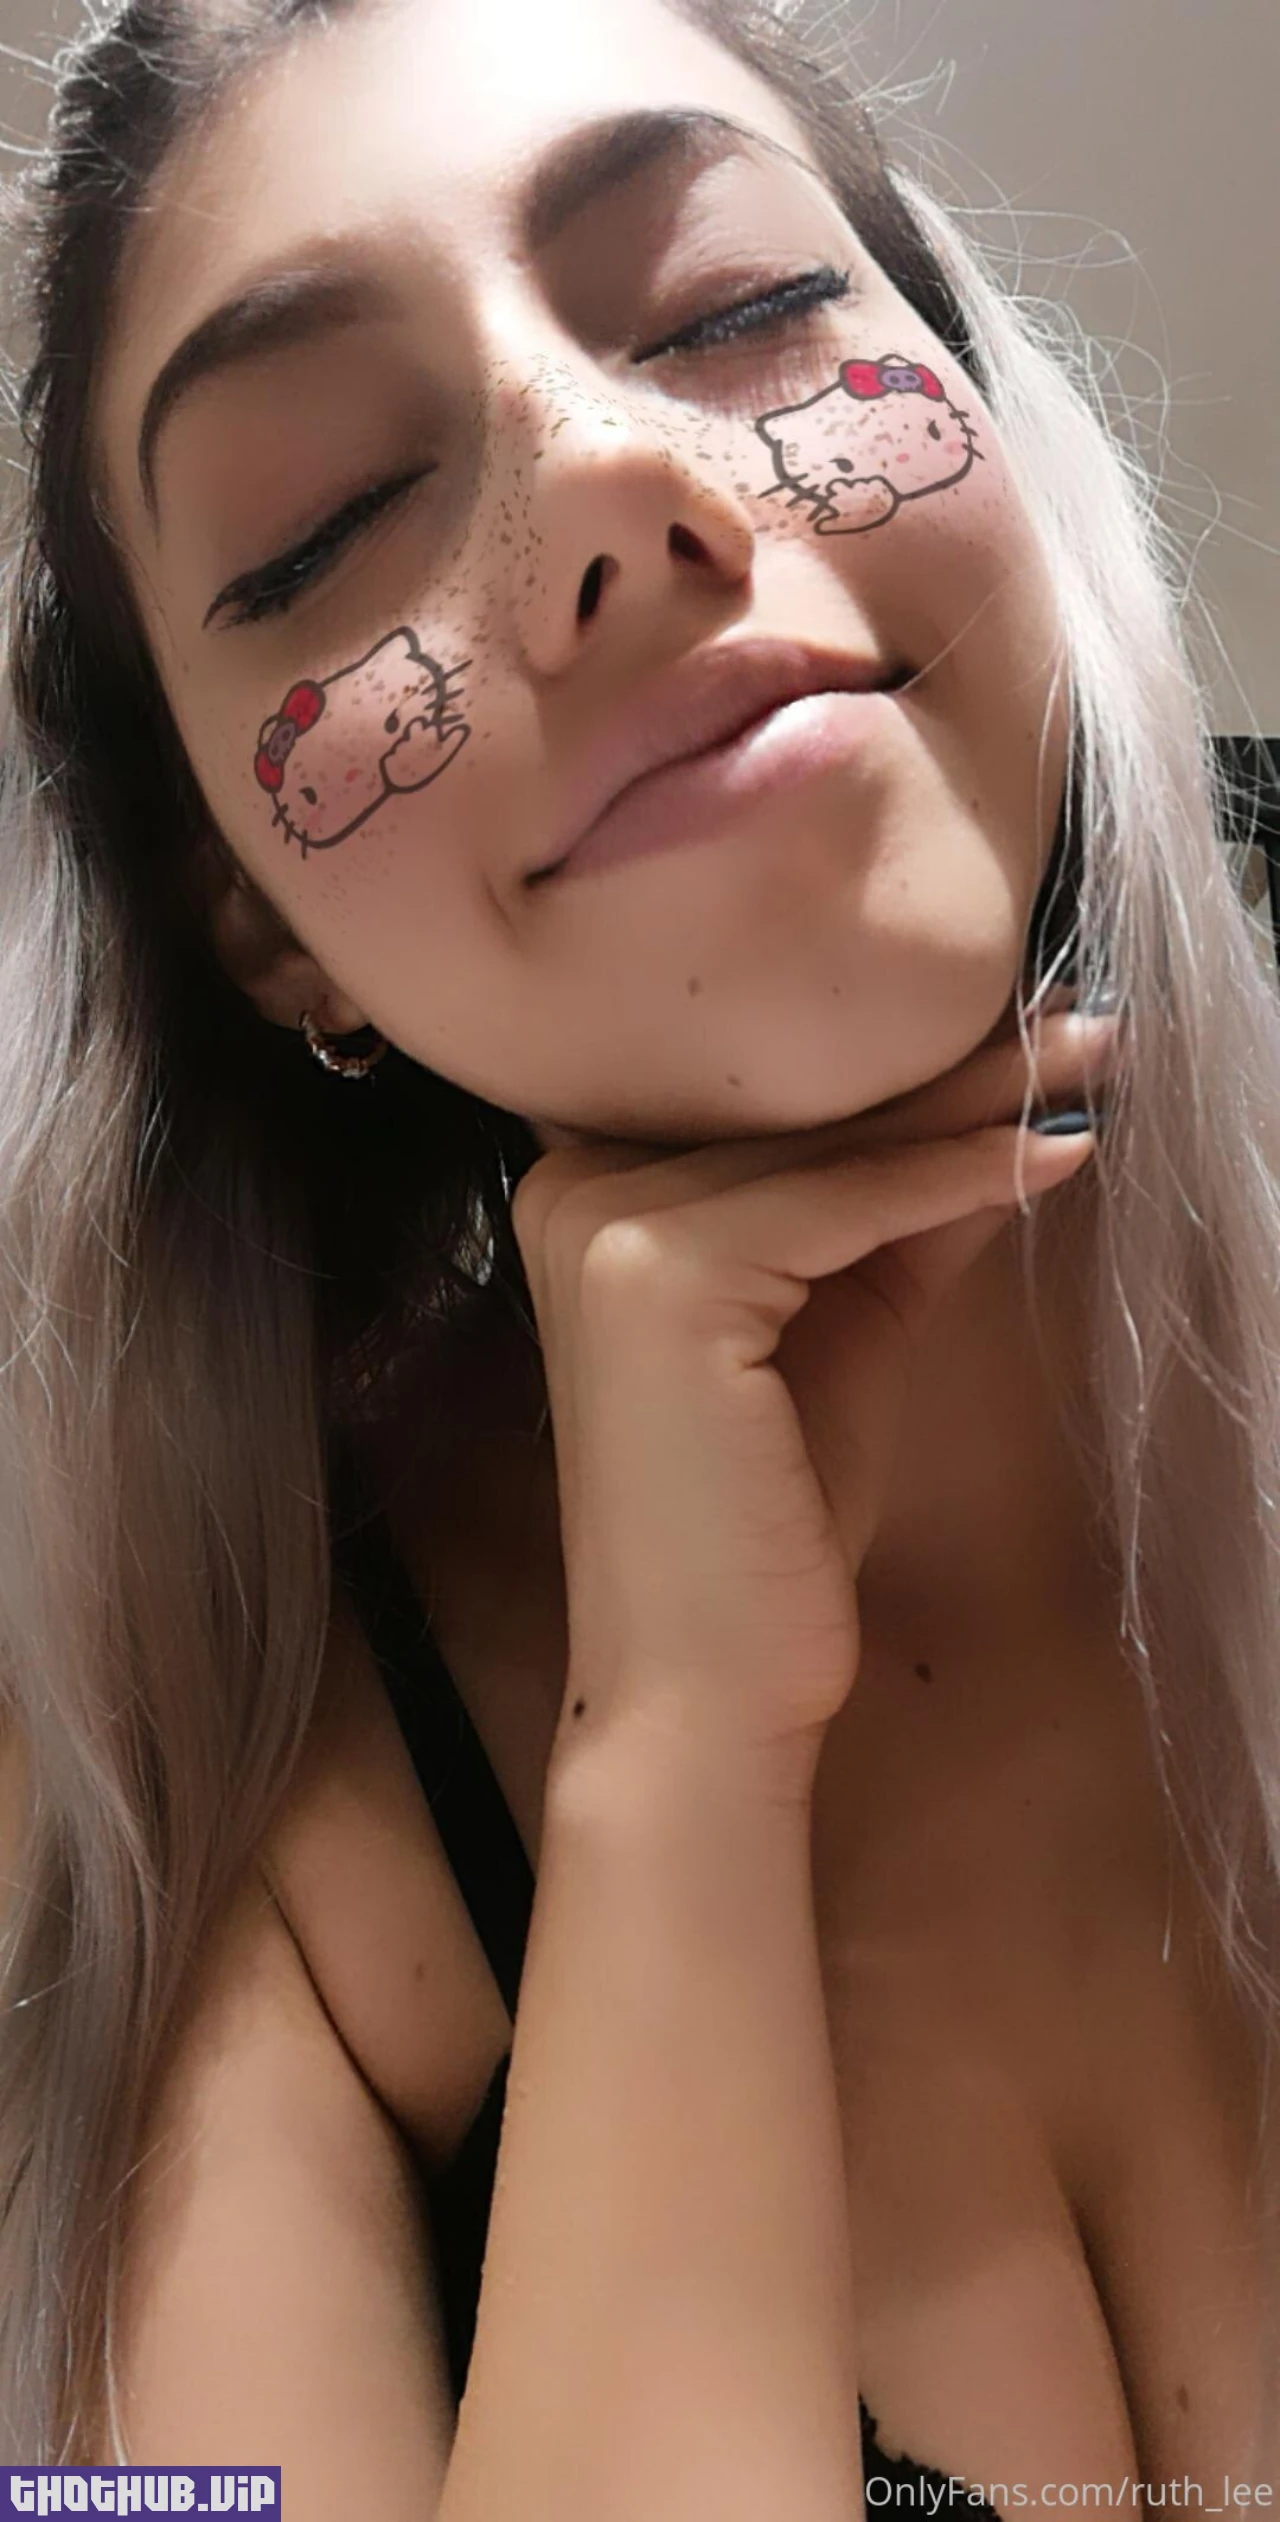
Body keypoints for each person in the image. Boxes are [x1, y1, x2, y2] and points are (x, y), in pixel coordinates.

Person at [0, 0, 1277, 2502]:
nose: (605, 481)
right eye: (317, 526)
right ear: (261, 931)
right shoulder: (187, 1813)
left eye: (732, 304)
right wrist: (674, 1748)